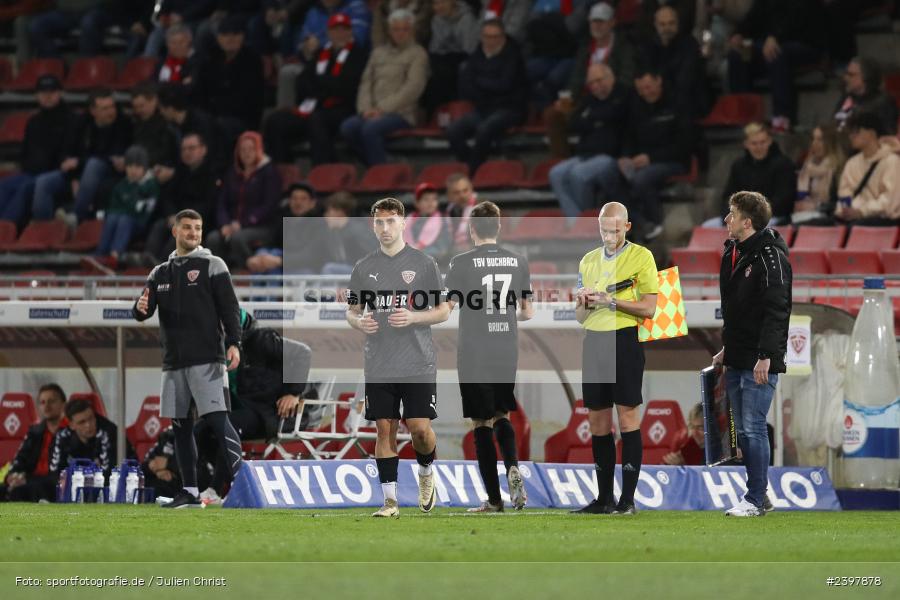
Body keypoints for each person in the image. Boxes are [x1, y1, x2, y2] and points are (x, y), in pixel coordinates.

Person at [346, 197, 450, 517]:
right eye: (380, 222)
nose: (385, 228)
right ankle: (390, 502)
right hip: (379, 361)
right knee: (384, 428)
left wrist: (414, 318)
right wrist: (359, 322)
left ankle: (425, 471)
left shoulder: (423, 263)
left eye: (391, 221)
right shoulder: (364, 267)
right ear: (372, 225)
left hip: (417, 360)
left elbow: (445, 310)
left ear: (404, 223)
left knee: (419, 429)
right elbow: (352, 311)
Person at [132, 208, 243, 509]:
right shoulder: (159, 273)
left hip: (207, 359)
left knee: (219, 421)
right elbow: (142, 309)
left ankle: (246, 485)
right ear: (175, 231)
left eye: (197, 228)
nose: (193, 233)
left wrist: (234, 343)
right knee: (179, 426)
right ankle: (190, 491)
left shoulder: (213, 264)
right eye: (187, 228)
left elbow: (230, 309)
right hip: (173, 363)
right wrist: (140, 309)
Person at [444, 200, 533, 512]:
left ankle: (495, 500)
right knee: (502, 414)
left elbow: (447, 308)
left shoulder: (460, 263)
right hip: (505, 346)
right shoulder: (518, 261)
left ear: (471, 230)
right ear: (499, 227)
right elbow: (528, 313)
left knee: (480, 421)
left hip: (475, 349)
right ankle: (512, 465)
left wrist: (417, 316)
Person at [572, 201, 659, 515]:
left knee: (627, 418)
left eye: (614, 229)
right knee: (597, 420)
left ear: (627, 227)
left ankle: (628, 500)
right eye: (603, 230)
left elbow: (649, 308)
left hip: (624, 339)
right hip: (594, 340)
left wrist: (612, 302)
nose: (608, 235)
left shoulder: (642, 256)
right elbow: (581, 317)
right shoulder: (588, 260)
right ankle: (604, 498)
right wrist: (582, 303)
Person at [712, 191, 791, 517]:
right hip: (737, 354)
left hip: (759, 358)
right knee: (743, 429)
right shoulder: (733, 251)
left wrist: (766, 355)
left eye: (732, 214)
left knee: (753, 427)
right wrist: (727, 348)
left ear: (747, 221)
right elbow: (736, 311)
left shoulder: (771, 256)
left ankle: (755, 499)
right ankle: (760, 494)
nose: (726, 219)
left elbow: (777, 309)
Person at [196, 308, 312, 498]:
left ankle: (215, 490)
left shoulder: (262, 339)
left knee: (227, 426)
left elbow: (302, 352)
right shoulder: (218, 349)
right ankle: (207, 485)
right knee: (201, 429)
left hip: (269, 413)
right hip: (242, 411)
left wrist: (293, 392)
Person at [262, 12, 369, 165]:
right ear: (329, 33)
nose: (340, 34)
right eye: (335, 30)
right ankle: (283, 169)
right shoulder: (321, 54)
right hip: (313, 107)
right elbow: (302, 83)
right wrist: (325, 86)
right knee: (275, 121)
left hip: (342, 110)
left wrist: (319, 85)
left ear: (350, 32)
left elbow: (346, 87)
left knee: (317, 120)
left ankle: (323, 170)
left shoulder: (358, 55)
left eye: (343, 30)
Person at [545, 2, 635, 158]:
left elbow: (626, 79)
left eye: (601, 21)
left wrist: (607, 91)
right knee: (553, 114)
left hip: (609, 99)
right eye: (594, 21)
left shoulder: (624, 47)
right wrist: (569, 97)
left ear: (612, 22)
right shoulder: (586, 47)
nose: (597, 25)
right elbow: (577, 78)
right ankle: (561, 160)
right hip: (585, 98)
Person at [340, 8, 428, 166]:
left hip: (401, 113)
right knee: (348, 128)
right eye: (396, 29)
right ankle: (379, 164)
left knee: (370, 130)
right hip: (371, 112)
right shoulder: (377, 53)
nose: (400, 33)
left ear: (412, 30)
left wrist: (381, 109)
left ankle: (381, 172)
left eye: (405, 29)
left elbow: (413, 89)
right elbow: (366, 83)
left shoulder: (418, 54)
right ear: (389, 31)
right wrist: (365, 109)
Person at [32, 88, 132, 222]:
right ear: (93, 111)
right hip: (78, 172)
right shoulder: (81, 123)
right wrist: (75, 177)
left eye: (112, 107)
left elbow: (114, 156)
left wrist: (79, 163)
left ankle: (76, 216)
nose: (111, 112)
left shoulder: (123, 124)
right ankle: (43, 229)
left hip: (107, 171)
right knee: (43, 181)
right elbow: (66, 152)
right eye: (105, 108)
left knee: (94, 164)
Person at [726, 0, 827, 133]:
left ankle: (782, 119)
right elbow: (753, 16)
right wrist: (739, 33)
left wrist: (776, 36)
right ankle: (745, 116)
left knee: (777, 54)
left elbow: (797, 17)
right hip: (769, 43)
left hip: (804, 42)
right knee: (737, 56)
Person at [446, 19, 528, 173]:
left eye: (495, 36)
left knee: (484, 129)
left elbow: (505, 85)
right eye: (487, 36)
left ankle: (473, 172)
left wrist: (480, 82)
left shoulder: (513, 56)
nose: (490, 40)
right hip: (483, 108)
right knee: (453, 130)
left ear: (503, 37)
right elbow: (466, 85)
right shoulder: (477, 54)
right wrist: (487, 84)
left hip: (509, 108)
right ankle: (470, 162)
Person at [617, 67, 690, 241]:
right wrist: (625, 157)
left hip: (673, 160)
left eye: (648, 87)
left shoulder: (677, 104)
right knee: (613, 176)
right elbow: (629, 137)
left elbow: (685, 145)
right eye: (641, 89)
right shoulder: (637, 107)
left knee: (642, 178)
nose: (645, 92)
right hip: (643, 161)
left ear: (659, 81)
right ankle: (640, 222)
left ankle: (656, 223)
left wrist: (652, 158)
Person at [548, 63, 628, 220]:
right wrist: (595, 121)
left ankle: (586, 220)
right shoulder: (589, 100)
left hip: (609, 155)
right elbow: (574, 123)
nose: (595, 86)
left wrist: (592, 119)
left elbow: (614, 119)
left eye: (599, 80)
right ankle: (576, 220)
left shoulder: (623, 96)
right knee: (555, 173)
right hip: (585, 154)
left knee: (578, 174)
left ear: (610, 78)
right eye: (591, 83)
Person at [0, 74, 75, 226]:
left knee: (26, 188)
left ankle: (6, 229)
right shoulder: (33, 121)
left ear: (59, 93)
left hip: (57, 175)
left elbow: (70, 153)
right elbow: (26, 151)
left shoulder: (71, 120)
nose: (47, 96)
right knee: (4, 186)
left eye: (51, 92)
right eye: (43, 93)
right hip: (31, 173)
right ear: (37, 95)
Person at [206, 131, 282, 268]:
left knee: (238, 239)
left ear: (259, 150)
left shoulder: (269, 172)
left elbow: (269, 206)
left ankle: (249, 272)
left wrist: (241, 223)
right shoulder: (232, 173)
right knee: (213, 238)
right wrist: (224, 224)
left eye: (251, 149)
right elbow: (222, 203)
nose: (247, 153)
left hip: (262, 226)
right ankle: (220, 275)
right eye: (243, 149)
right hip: (233, 225)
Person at [146, 132, 222, 262]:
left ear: (203, 150)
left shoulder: (213, 173)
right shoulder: (180, 172)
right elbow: (167, 197)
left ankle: (162, 264)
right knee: (159, 225)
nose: (187, 152)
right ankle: (147, 258)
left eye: (191, 148)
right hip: (177, 219)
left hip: (201, 224)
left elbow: (209, 205)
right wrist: (171, 215)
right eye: (184, 149)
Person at [192, 14, 265, 134]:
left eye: (235, 34)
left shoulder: (252, 60)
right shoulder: (210, 58)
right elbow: (200, 90)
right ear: (219, 38)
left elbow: (249, 99)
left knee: (216, 127)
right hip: (211, 115)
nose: (230, 39)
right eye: (225, 35)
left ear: (242, 37)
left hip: (241, 118)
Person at [718, 122, 796, 225]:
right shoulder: (738, 166)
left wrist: (754, 216)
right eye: (754, 143)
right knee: (708, 227)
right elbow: (728, 197)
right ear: (746, 144)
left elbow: (784, 200)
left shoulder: (783, 165)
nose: (759, 147)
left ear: (770, 141)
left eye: (763, 142)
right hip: (740, 217)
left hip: (773, 218)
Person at [0, 384, 67, 502]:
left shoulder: (71, 431)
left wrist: (27, 480)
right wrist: (12, 477)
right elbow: (20, 459)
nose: (47, 406)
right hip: (28, 482)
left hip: (51, 486)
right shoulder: (34, 432)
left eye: (52, 401)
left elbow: (61, 473)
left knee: (22, 492)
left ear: (63, 404)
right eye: (43, 402)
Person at [638, 4, 708, 118]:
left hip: (687, 100)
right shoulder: (649, 46)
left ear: (677, 24)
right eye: (662, 24)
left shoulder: (689, 44)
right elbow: (646, 71)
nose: (667, 28)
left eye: (671, 23)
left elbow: (686, 79)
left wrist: (659, 83)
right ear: (655, 25)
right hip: (657, 96)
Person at [834, 112, 900, 226]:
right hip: (854, 217)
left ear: (872, 133)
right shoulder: (851, 163)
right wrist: (843, 210)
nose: (851, 136)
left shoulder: (892, 161)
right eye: (851, 132)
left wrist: (861, 211)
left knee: (852, 229)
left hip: (883, 221)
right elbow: (844, 193)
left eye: (857, 131)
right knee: (819, 226)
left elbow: (890, 201)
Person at [95, 145, 160, 259]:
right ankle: (100, 254)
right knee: (111, 218)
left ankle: (115, 254)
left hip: (140, 224)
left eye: (137, 166)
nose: (133, 170)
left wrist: (129, 209)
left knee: (124, 219)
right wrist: (129, 208)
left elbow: (144, 211)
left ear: (144, 168)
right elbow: (113, 208)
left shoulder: (151, 185)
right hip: (121, 220)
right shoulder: (121, 186)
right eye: (130, 166)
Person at [248, 182, 323, 275]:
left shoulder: (319, 224)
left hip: (306, 268)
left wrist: (280, 260)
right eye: (294, 198)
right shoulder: (282, 219)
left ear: (312, 203)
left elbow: (310, 256)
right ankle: (259, 289)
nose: (298, 202)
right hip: (282, 263)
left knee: (275, 260)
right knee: (263, 256)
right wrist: (258, 257)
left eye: (303, 199)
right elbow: (270, 242)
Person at [421, 0, 479, 115]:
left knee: (445, 74)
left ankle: (446, 113)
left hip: (463, 57)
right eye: (435, 3)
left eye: (442, 2)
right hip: (443, 58)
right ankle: (432, 113)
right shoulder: (436, 19)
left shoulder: (467, 19)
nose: (438, 7)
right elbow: (435, 48)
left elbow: (470, 49)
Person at [48, 397, 120, 478]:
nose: (88, 425)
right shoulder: (62, 437)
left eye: (91, 418)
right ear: (71, 425)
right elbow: (55, 473)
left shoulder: (108, 433)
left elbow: (110, 474)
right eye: (82, 422)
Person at [833, 56, 899, 139]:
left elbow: (889, 136)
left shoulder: (883, 102)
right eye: (846, 73)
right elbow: (835, 126)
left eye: (851, 75)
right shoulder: (847, 98)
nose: (845, 78)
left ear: (865, 78)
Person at [793, 124, 845, 224]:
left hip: (829, 218)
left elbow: (841, 203)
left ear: (830, 143)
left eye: (820, 140)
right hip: (805, 215)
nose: (814, 143)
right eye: (813, 139)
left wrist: (817, 206)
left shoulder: (838, 169)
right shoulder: (807, 167)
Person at [131, 82, 179, 174]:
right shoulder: (137, 122)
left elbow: (166, 153)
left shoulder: (166, 122)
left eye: (142, 106)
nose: (138, 110)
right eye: (135, 107)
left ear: (154, 101)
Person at [403, 182, 451, 259]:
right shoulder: (409, 221)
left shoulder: (443, 220)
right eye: (426, 199)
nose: (430, 202)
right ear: (417, 203)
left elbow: (443, 250)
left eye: (434, 199)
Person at [445, 172, 476, 249]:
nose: (462, 196)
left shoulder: (483, 209)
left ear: (471, 189)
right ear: (449, 196)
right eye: (456, 193)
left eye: (465, 190)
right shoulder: (450, 211)